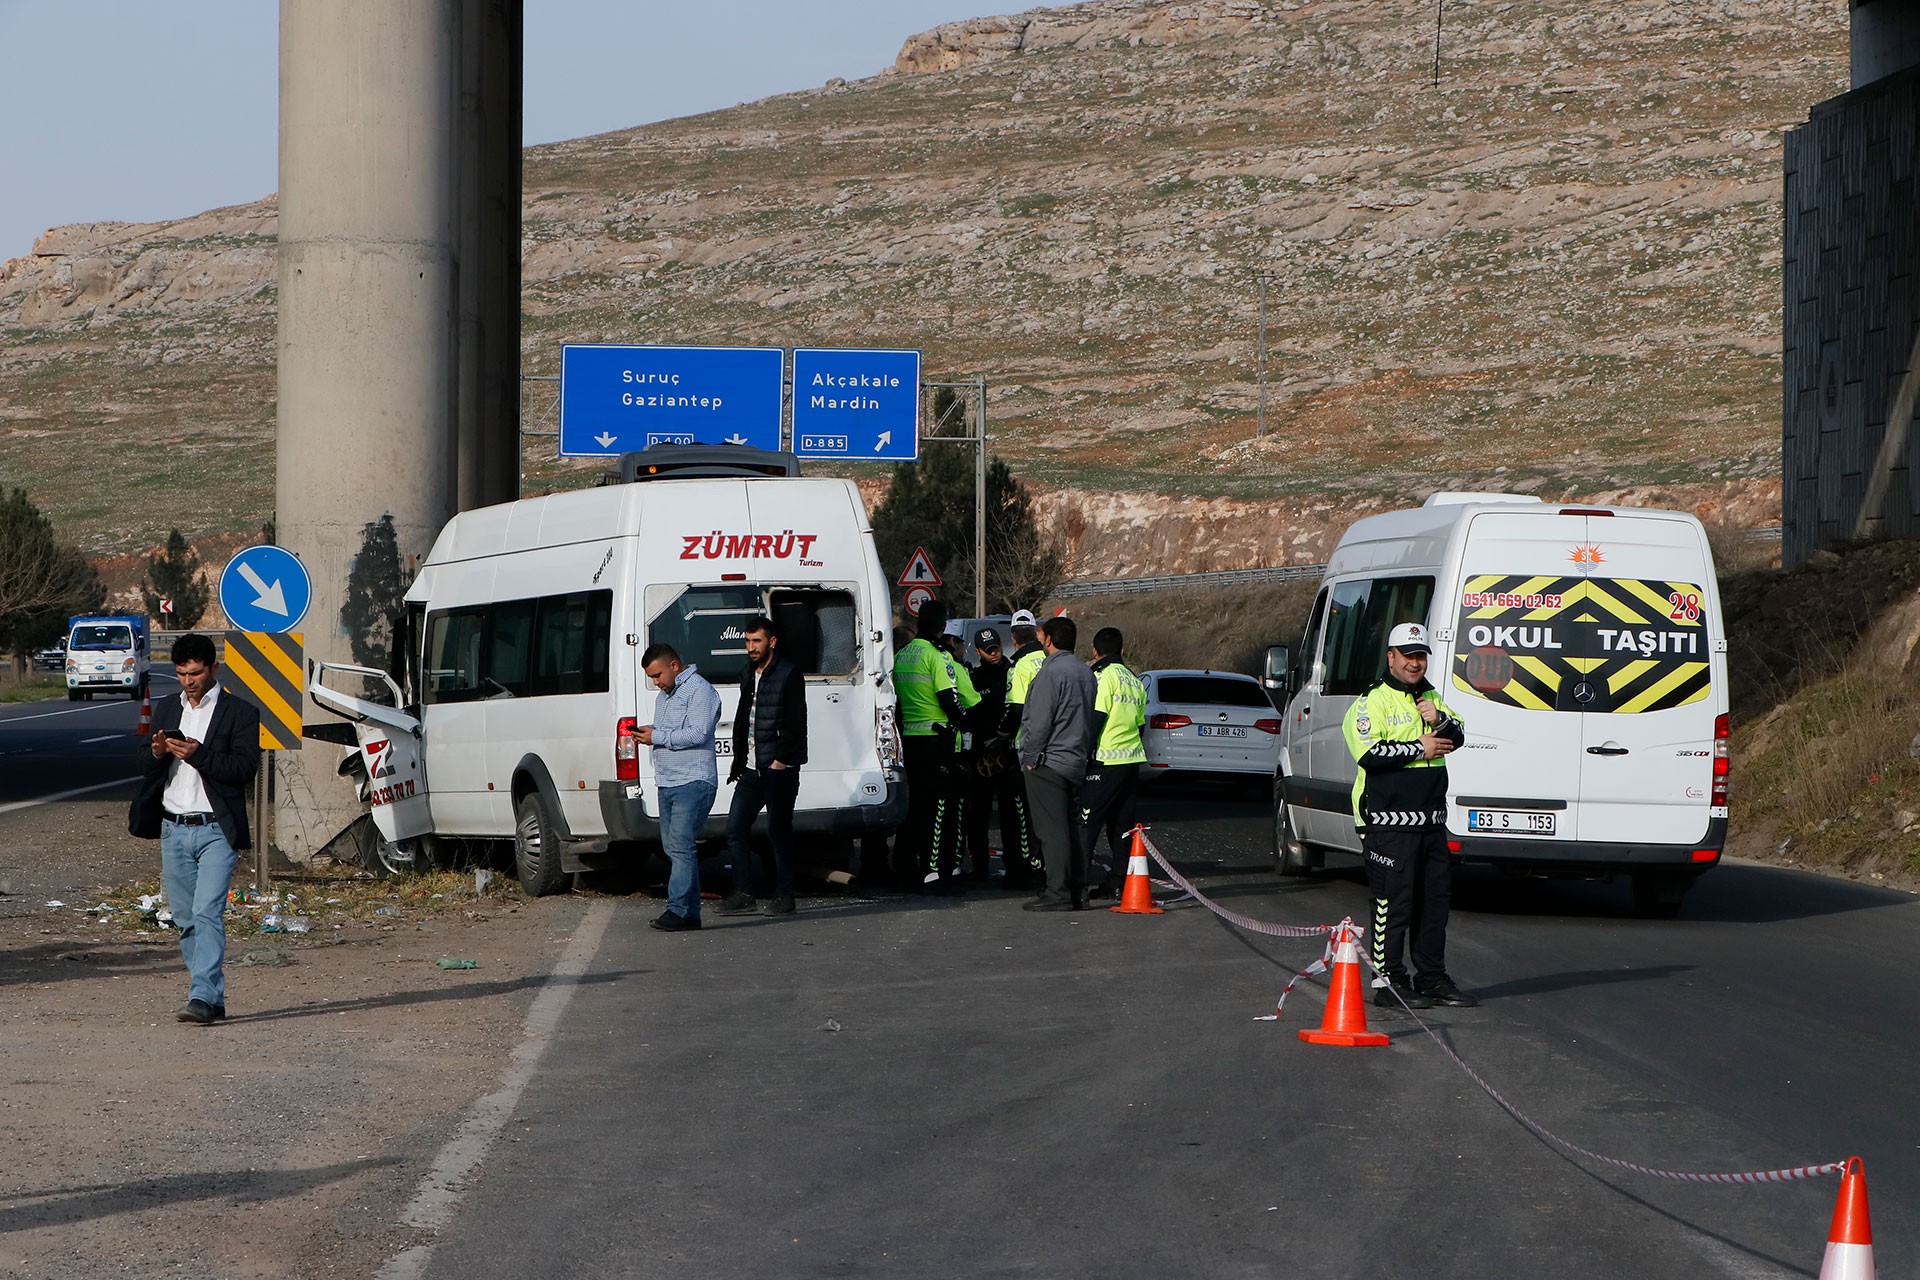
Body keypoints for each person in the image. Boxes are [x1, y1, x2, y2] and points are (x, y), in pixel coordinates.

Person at [127, 633, 262, 1025]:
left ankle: (201, 995)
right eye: (182, 673)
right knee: (185, 918)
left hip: (217, 828)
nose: (189, 681)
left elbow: (243, 769)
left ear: (214, 668)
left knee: (207, 912)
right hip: (173, 827)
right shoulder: (168, 707)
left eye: (197, 673)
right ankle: (211, 996)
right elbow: (143, 764)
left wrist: (199, 755)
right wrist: (156, 751)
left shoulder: (240, 713)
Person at [1342, 622, 1476, 1009]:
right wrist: (1420, 747)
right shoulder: (1371, 702)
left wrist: (1440, 721)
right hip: (1388, 823)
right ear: (1391, 657)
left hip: (1431, 821)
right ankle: (1388, 983)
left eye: (1420, 656)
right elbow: (1369, 754)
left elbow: (1458, 735)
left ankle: (1432, 978)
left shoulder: (1430, 696)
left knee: (1434, 903)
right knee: (1392, 903)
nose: (1415, 664)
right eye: (1408, 656)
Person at [718, 616, 808, 917]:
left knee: (778, 833)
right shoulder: (748, 673)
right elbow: (743, 719)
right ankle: (743, 893)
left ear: (772, 641)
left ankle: (785, 896)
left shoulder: (789, 673)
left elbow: (797, 723)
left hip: (778, 768)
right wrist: (739, 760)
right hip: (751, 769)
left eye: (756, 641)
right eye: (747, 641)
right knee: (734, 828)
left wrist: (781, 761)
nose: (751, 647)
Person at [636, 644, 721, 933]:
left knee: (682, 846)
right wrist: (647, 732)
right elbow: (668, 732)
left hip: (693, 780)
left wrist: (657, 737)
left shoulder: (701, 691)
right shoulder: (664, 698)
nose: (655, 682)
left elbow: (699, 733)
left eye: (657, 674)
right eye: (651, 677)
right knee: (674, 848)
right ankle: (690, 914)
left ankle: (676, 909)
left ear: (674, 665)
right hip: (668, 781)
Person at [1019, 616, 1097, 912]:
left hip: (1048, 762)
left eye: (1041, 635)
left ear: (1049, 640)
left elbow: (1038, 723)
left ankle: (1057, 892)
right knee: (1074, 827)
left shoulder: (1050, 673)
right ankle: (1079, 890)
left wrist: (1029, 757)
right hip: (1076, 759)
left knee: (1051, 831)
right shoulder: (1085, 673)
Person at [891, 600, 967, 892]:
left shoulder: (904, 654)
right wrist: (965, 722)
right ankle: (932, 871)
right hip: (936, 740)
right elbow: (950, 700)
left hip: (909, 740)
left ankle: (904, 868)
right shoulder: (938, 656)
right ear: (943, 625)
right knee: (937, 809)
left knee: (912, 808)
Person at [962, 626, 1041, 888]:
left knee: (1012, 815)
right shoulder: (974, 677)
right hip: (981, 756)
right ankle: (980, 868)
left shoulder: (1013, 671)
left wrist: (1002, 737)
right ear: (978, 651)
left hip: (1007, 754)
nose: (994, 653)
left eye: (996, 647)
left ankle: (1016, 869)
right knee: (978, 816)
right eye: (988, 650)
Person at [1082, 627, 1148, 899]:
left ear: (1095, 652)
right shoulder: (1135, 680)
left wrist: (1085, 753)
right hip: (1131, 761)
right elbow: (1140, 726)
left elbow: (1095, 719)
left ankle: (1078, 885)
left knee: (1087, 823)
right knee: (1122, 825)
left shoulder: (1102, 676)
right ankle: (1119, 881)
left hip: (1104, 762)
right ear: (1122, 650)